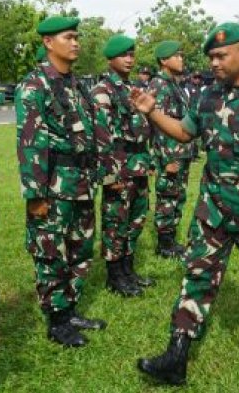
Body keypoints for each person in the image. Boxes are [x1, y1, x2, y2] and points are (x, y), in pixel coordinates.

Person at [132, 22, 239, 385]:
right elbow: (183, 132)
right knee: (197, 272)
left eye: (221, 55)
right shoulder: (207, 97)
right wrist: (151, 111)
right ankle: (177, 354)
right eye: (211, 56)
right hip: (212, 207)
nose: (214, 62)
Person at [15, 16, 106, 346]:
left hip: (81, 181)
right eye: (68, 37)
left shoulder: (77, 84)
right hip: (53, 185)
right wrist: (35, 194)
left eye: (76, 37)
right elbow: (29, 143)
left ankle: (69, 308)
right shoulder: (34, 86)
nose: (76, 42)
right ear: (48, 43)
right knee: (51, 251)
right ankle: (56, 321)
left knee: (80, 247)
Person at [92, 34, 155, 297]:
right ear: (110, 59)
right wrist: (108, 174)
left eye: (132, 54)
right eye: (123, 55)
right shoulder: (102, 91)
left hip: (138, 165)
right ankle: (114, 275)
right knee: (115, 222)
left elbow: (142, 127)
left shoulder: (132, 90)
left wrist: (147, 161)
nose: (129, 59)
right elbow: (101, 136)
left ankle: (128, 270)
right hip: (119, 168)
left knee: (136, 219)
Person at [148, 40, 191, 258]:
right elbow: (158, 124)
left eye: (181, 55)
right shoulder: (159, 86)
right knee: (167, 196)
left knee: (177, 196)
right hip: (170, 154)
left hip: (181, 151)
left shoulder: (174, 84)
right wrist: (166, 158)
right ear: (164, 60)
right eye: (177, 55)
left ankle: (171, 240)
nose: (181, 59)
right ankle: (164, 245)